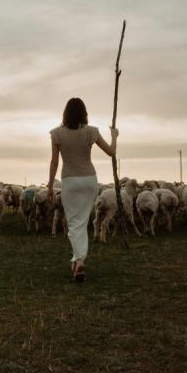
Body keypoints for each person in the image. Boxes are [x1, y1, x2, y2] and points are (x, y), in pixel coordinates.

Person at [47, 97, 118, 282]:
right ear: (84, 113)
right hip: (89, 180)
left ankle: (79, 261)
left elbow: (54, 162)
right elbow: (111, 152)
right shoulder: (91, 132)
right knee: (82, 222)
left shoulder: (56, 134)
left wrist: (49, 185)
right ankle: (77, 259)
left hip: (69, 181)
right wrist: (114, 136)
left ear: (65, 113)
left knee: (74, 224)